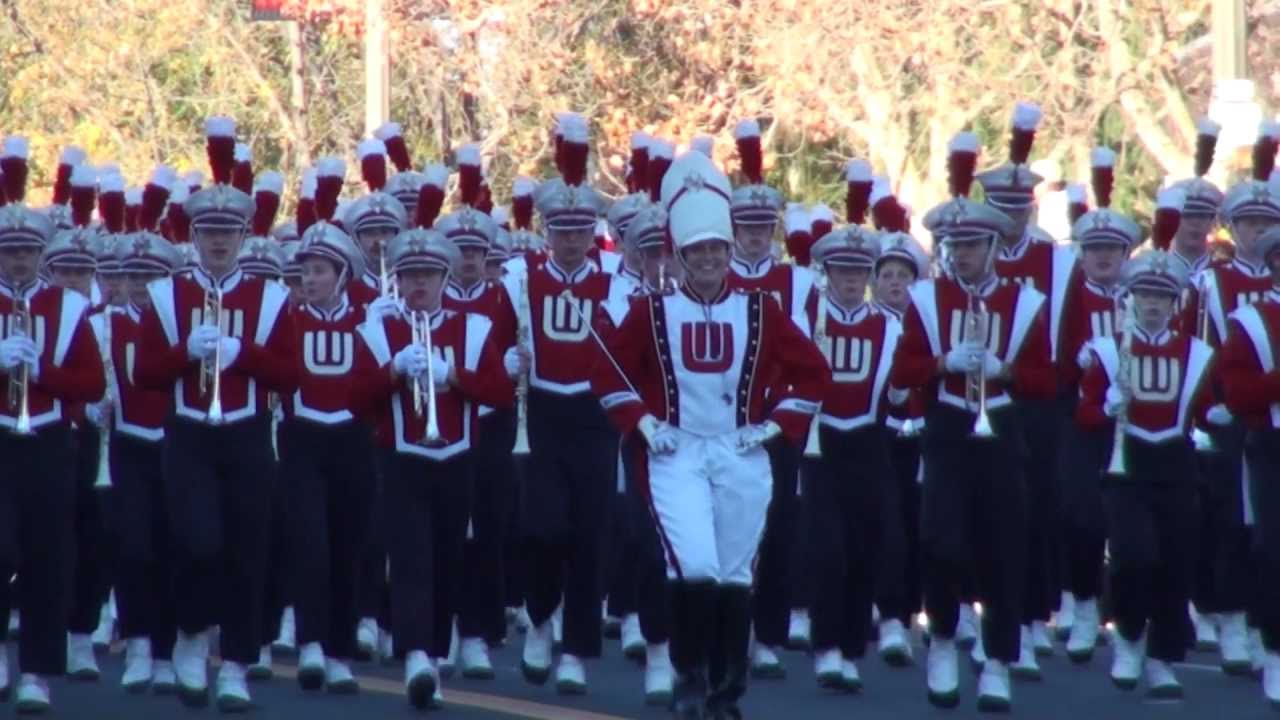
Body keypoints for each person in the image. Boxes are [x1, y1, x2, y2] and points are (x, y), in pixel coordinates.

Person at [591, 149, 828, 719]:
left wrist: (774, 425)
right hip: (676, 453)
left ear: (730, 252)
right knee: (693, 565)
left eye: (717, 250)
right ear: (679, 254)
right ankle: (689, 676)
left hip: (741, 453)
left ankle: (727, 688)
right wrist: (643, 422)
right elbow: (605, 366)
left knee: (733, 574)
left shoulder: (762, 310)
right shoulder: (651, 311)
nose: (708, 260)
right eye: (697, 251)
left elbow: (815, 372)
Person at [135, 171, 298, 712]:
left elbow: (291, 375)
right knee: (196, 542)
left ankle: (235, 665)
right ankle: (190, 632)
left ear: (245, 236)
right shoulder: (166, 293)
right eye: (209, 231)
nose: (219, 240)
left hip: (249, 435)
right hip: (188, 436)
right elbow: (145, 374)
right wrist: (186, 350)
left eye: (229, 231)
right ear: (194, 234)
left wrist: (242, 352)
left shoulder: (271, 297)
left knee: (248, 552)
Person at [891, 187, 1056, 711]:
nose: (959, 253)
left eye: (970, 244)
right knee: (940, 541)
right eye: (952, 244)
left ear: (993, 246)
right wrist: (942, 363)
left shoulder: (1026, 302)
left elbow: (1046, 378)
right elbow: (901, 371)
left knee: (1003, 546)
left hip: (1002, 431)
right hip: (946, 426)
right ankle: (941, 642)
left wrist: (1004, 371)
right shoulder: (924, 298)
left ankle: (999, 661)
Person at [347, 227, 513, 709]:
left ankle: (434, 656)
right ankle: (417, 655)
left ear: (443, 278)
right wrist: (394, 370)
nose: (419, 284)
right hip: (400, 460)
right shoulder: (378, 329)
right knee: (412, 558)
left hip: (457, 458)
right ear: (397, 279)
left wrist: (453, 376)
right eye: (410, 275)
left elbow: (502, 394)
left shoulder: (474, 328)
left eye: (428, 275)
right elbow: (354, 400)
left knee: (446, 560)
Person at [502, 115, 631, 694]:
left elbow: (636, 347)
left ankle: (577, 650)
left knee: (590, 535)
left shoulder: (617, 281)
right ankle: (539, 616)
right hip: (543, 416)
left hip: (595, 418)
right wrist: (509, 360)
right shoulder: (519, 274)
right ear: (546, 229)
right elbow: (496, 332)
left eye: (580, 231)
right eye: (561, 231)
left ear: (593, 232)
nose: (571, 241)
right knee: (543, 528)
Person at [1077, 249, 1214, 697]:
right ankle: (1129, 638)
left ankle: (1162, 658)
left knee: (1175, 565)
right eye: (1144, 295)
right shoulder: (1106, 350)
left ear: (1175, 304)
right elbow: (1085, 414)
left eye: (1161, 297)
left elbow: (1209, 408)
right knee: (1133, 557)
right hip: (1126, 469)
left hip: (1176, 467)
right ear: (1130, 298)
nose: (1152, 304)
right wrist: (1105, 407)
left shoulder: (1197, 353)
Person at [0, 199, 106, 713]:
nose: (19, 260)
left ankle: (37, 673)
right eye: (11, 250)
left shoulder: (67, 306)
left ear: (42, 253)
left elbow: (93, 382)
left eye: (28, 250)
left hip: (47, 440)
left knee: (48, 557)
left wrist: (44, 374)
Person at [728, 119, 818, 675]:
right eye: (747, 224)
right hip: (726, 419)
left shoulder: (801, 283)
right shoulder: (715, 275)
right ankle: (730, 629)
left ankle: (768, 635)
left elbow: (809, 361)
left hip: (778, 423)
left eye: (765, 225)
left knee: (779, 527)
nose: (756, 234)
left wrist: (788, 417)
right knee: (732, 531)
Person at [802, 227, 903, 692]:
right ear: (827, 271)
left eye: (859, 270)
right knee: (827, 551)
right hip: (818, 448)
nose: (850, 278)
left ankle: (850, 648)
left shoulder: (890, 326)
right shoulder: (806, 318)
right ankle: (825, 647)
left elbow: (900, 392)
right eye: (842, 269)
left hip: (868, 444)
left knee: (865, 549)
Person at [278, 221, 373, 694]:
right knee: (310, 545)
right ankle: (311, 641)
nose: (309, 279)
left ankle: (340, 650)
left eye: (319, 271)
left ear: (342, 274)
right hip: (301, 442)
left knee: (347, 549)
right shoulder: (286, 318)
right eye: (305, 272)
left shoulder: (370, 319)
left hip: (355, 444)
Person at [1194, 166, 1280, 675]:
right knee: (1232, 518)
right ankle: (1230, 615)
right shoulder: (1213, 280)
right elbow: (1201, 347)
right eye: (1246, 222)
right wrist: (1207, 406)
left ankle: (1258, 616)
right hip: (1231, 413)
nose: (1255, 230)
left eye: (1265, 221)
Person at [1053, 203, 1141, 661]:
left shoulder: (1145, 295)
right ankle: (1084, 606)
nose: (1103, 257)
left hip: (1137, 422)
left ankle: (1127, 616)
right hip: (1082, 422)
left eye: (1112, 248)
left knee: (1132, 526)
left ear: (1126, 253)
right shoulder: (1067, 299)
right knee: (1082, 516)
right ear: (1082, 255)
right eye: (1094, 249)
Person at [101, 231, 184, 693]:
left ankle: (168, 652)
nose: (139, 283)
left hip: (175, 447)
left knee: (175, 547)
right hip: (127, 446)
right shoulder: (104, 324)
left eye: (150, 275)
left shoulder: (181, 325)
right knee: (134, 547)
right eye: (132, 274)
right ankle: (137, 643)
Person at [1220, 224, 1280, 707]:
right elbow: (1236, 394)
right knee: (1273, 548)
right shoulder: (1252, 320)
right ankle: (1275, 647)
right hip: (1272, 443)